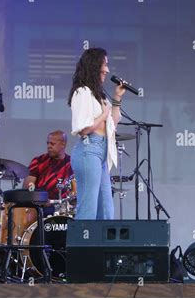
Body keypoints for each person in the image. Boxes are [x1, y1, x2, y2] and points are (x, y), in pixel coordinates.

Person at [67, 47, 125, 220]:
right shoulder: (82, 92)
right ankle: (82, 246)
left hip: (102, 151)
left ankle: (101, 247)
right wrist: (104, 114)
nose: (107, 70)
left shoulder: (100, 96)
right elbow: (84, 128)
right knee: (88, 208)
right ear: (94, 65)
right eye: (104, 64)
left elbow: (112, 123)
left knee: (106, 211)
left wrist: (116, 99)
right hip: (88, 149)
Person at [23, 130, 74, 215]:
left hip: (65, 209)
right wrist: (39, 199)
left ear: (63, 144)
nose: (49, 146)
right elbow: (26, 187)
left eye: (52, 144)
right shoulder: (38, 161)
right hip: (42, 208)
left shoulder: (72, 163)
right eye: (48, 143)